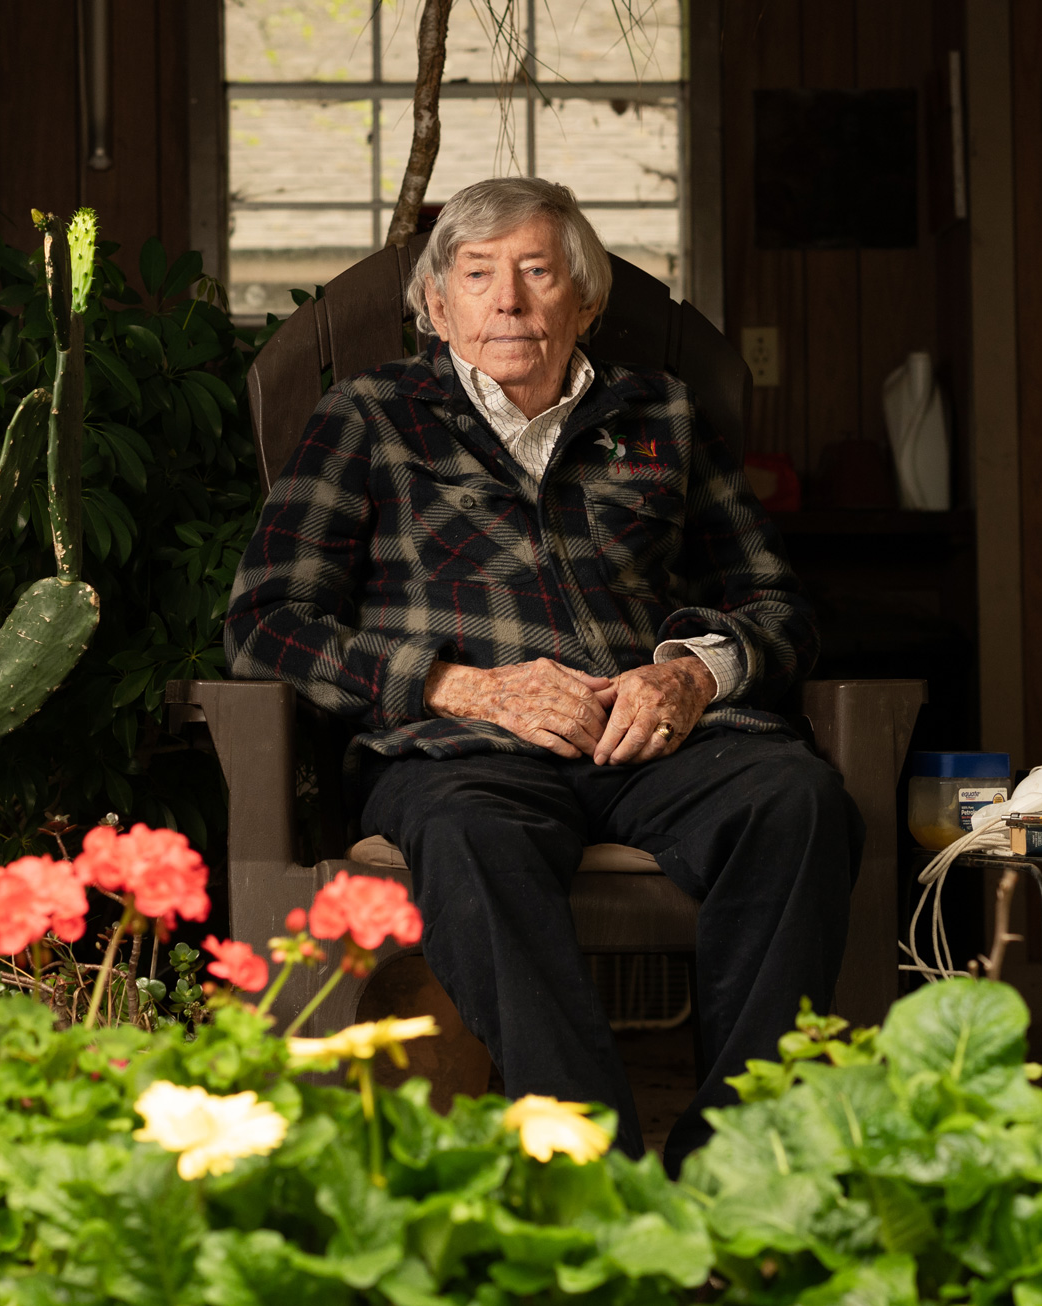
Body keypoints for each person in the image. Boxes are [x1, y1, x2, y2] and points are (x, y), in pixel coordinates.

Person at [224, 175, 862, 1170]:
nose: (507, 301)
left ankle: (734, 1159)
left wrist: (689, 677)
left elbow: (776, 607)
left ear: (587, 302)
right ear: (436, 309)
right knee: (470, 835)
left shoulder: (660, 417)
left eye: (535, 273)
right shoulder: (373, 417)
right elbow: (267, 623)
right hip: (461, 747)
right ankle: (595, 1168)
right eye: (477, 277)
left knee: (796, 801)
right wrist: (464, 686)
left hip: (654, 737)